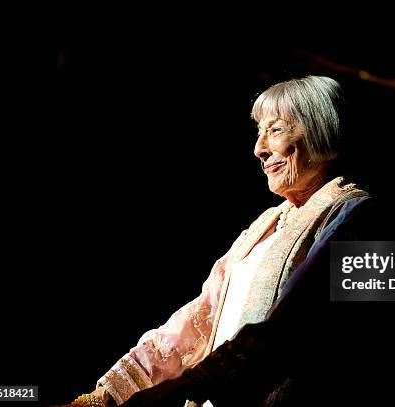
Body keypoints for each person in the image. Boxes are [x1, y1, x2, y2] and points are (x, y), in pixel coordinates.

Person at [67, 75, 374, 407]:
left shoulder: (354, 212)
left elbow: (290, 325)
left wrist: (186, 384)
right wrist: (107, 395)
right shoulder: (267, 223)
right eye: (260, 133)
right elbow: (200, 315)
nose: (259, 149)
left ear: (321, 130)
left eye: (274, 130)